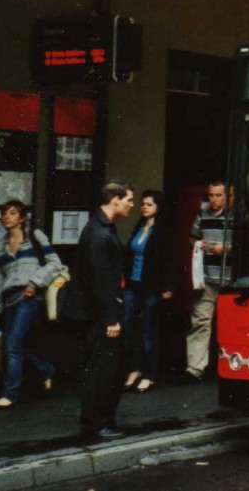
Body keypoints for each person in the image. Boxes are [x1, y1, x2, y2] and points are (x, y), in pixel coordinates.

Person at [0, 200, 62, 408]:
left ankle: (10, 394)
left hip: (29, 298)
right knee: (17, 344)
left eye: (12, 213)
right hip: (9, 300)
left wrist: (34, 282)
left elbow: (55, 263)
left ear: (22, 218)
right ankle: (46, 369)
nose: (6, 217)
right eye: (3, 213)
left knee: (12, 345)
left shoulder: (35, 237)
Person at [77, 181, 135, 439]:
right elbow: (101, 280)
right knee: (102, 369)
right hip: (102, 315)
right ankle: (96, 423)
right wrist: (111, 319)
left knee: (111, 367)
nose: (131, 205)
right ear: (115, 200)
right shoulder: (100, 234)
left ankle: (102, 420)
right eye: (129, 200)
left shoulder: (103, 228)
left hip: (104, 312)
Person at [122, 190, 173, 394]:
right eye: (143, 203)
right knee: (126, 324)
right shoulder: (139, 227)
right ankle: (134, 369)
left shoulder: (163, 230)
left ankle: (149, 374)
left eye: (149, 204)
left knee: (148, 330)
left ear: (158, 207)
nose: (144, 207)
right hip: (133, 284)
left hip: (152, 286)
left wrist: (168, 287)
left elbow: (169, 260)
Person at [185, 180, 231, 381]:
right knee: (201, 322)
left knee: (228, 324)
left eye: (218, 195)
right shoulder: (202, 214)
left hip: (228, 280)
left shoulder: (234, 217)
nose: (214, 199)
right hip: (206, 278)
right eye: (211, 195)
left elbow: (243, 245)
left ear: (226, 196)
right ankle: (195, 369)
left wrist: (226, 248)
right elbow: (190, 238)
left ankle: (229, 366)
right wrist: (198, 243)